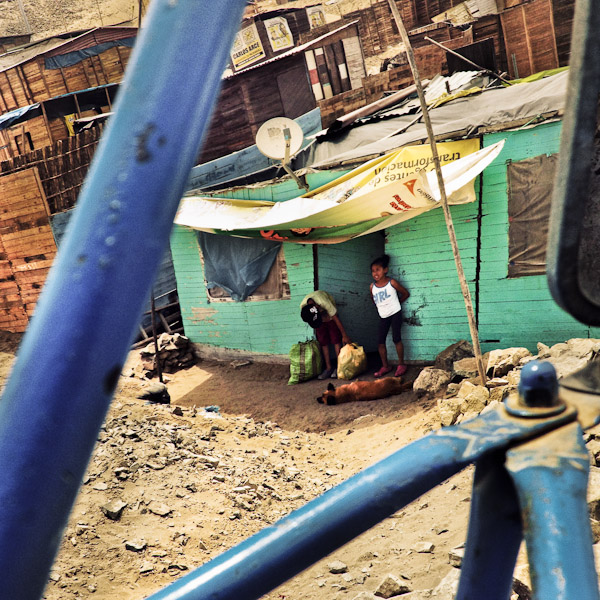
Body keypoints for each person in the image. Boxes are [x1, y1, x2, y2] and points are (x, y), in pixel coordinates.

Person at [370, 254, 410, 378]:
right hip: (383, 316)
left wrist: (397, 303)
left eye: (378, 270)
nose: (375, 273)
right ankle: (385, 366)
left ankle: (401, 364)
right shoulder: (372, 287)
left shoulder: (391, 282)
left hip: (395, 314)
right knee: (380, 342)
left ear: (385, 270)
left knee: (396, 339)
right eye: (373, 271)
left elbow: (405, 293)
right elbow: (374, 300)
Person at [300, 290, 351, 380]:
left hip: (330, 316)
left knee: (336, 339)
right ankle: (328, 368)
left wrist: (344, 335)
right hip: (318, 314)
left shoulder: (324, 302)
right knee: (323, 342)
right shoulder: (303, 307)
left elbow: (336, 319)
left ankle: (339, 367)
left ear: (318, 306)